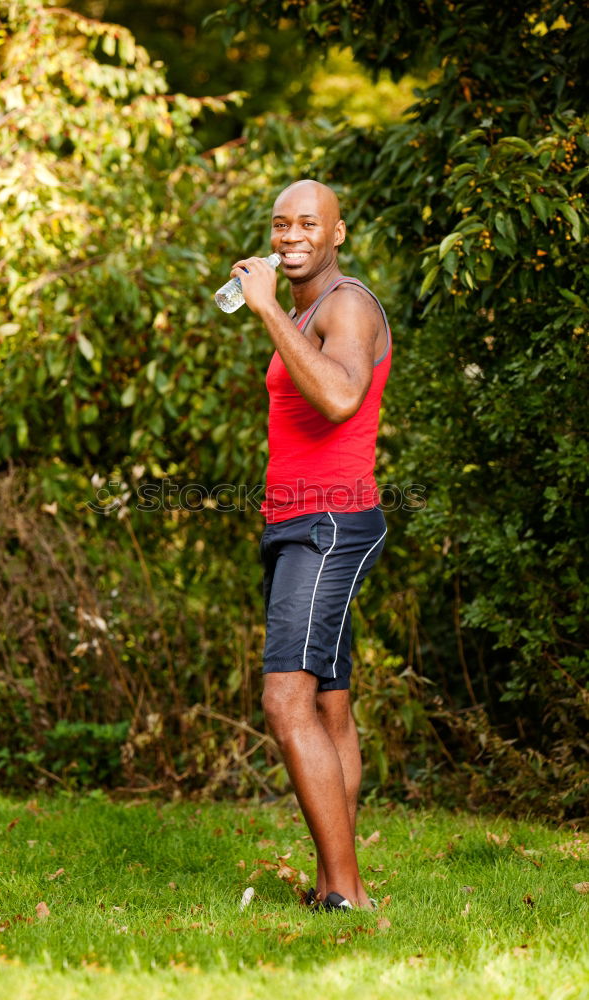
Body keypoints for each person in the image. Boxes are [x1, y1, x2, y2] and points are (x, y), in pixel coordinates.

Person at [230, 179, 391, 911]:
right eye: (280, 224)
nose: (291, 236)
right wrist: (276, 310)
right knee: (328, 706)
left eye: (307, 224)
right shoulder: (304, 310)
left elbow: (339, 398)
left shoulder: (348, 305)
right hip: (297, 523)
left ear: (337, 234)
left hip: (328, 525)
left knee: (284, 699)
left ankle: (348, 895)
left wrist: (264, 308)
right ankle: (336, 881)